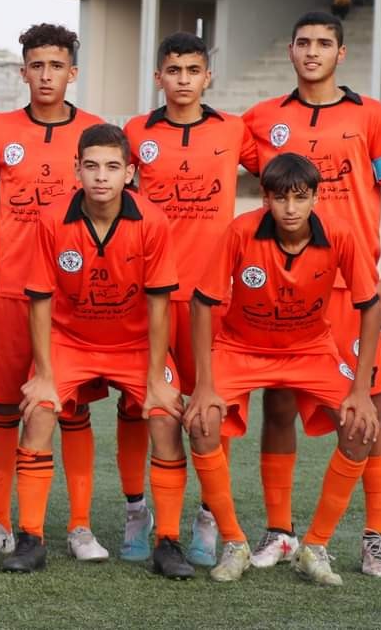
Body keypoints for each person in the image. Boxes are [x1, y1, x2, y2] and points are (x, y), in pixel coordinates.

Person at [243, 11, 381, 577]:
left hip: (353, 289)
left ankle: (376, 536)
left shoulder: (372, 115)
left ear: (341, 53)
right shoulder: (262, 119)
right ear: (289, 51)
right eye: (303, 43)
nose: (312, 51)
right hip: (285, 284)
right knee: (279, 403)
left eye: (323, 43)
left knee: (370, 408)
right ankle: (280, 531)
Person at [185, 152, 381, 586]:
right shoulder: (241, 231)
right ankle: (234, 542)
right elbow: (202, 302)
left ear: (315, 198)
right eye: (280, 198)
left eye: (300, 197)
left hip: (310, 350)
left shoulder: (339, 234)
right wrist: (203, 385)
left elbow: (370, 307)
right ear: (265, 198)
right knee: (201, 422)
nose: (290, 208)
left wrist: (360, 389)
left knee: (360, 429)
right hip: (241, 347)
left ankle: (315, 546)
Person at [7, 123, 191, 577]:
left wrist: (155, 379)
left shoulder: (152, 221)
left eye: (112, 167)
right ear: (77, 170)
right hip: (70, 340)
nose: (101, 176)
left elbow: (160, 305)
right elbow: (40, 300)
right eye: (91, 166)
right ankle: (30, 537)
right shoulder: (52, 219)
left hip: (135, 343)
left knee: (165, 418)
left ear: (129, 173)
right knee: (39, 411)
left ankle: (168, 542)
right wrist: (44, 375)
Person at [122, 31, 259, 567]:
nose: (183, 80)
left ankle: (207, 517)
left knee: (211, 410)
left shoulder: (234, 129)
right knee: (141, 408)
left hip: (213, 299)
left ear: (208, 77)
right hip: (149, 296)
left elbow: (283, 180)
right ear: (158, 76)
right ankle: (138, 512)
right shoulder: (136, 132)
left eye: (193, 71)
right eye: (173, 70)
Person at [0, 24, 106, 559]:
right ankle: (0, 522)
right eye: (37, 66)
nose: (46, 75)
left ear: (73, 72)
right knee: (4, 409)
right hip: (9, 292)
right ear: (22, 71)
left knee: (71, 411)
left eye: (56, 66)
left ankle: (80, 526)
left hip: (72, 298)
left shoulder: (95, 132)